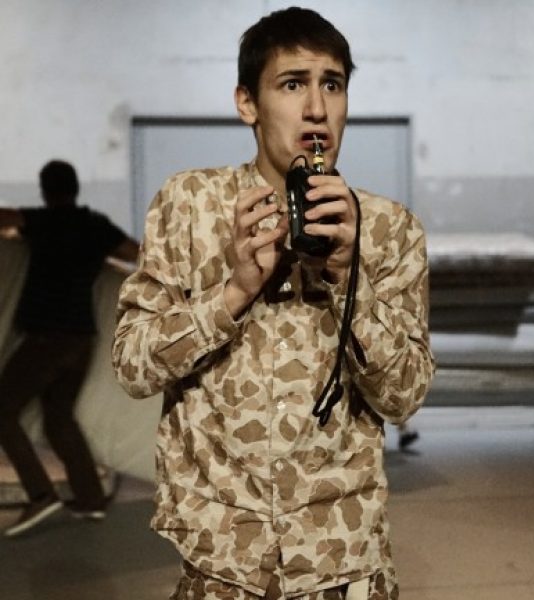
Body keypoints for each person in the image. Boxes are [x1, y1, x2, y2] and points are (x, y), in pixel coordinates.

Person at [112, 7, 434, 600]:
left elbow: (405, 396)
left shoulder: (389, 228)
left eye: (332, 84)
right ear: (247, 103)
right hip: (219, 562)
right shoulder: (190, 205)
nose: (316, 108)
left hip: (341, 561)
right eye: (292, 84)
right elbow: (133, 366)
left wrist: (348, 279)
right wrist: (233, 293)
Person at [0, 159, 138, 537]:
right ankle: (90, 500)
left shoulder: (42, 221)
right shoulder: (94, 226)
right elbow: (135, 254)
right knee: (58, 418)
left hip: (47, 338)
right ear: (75, 189)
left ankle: (41, 495)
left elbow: (4, 218)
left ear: (45, 191)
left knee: (3, 412)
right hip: (81, 339)